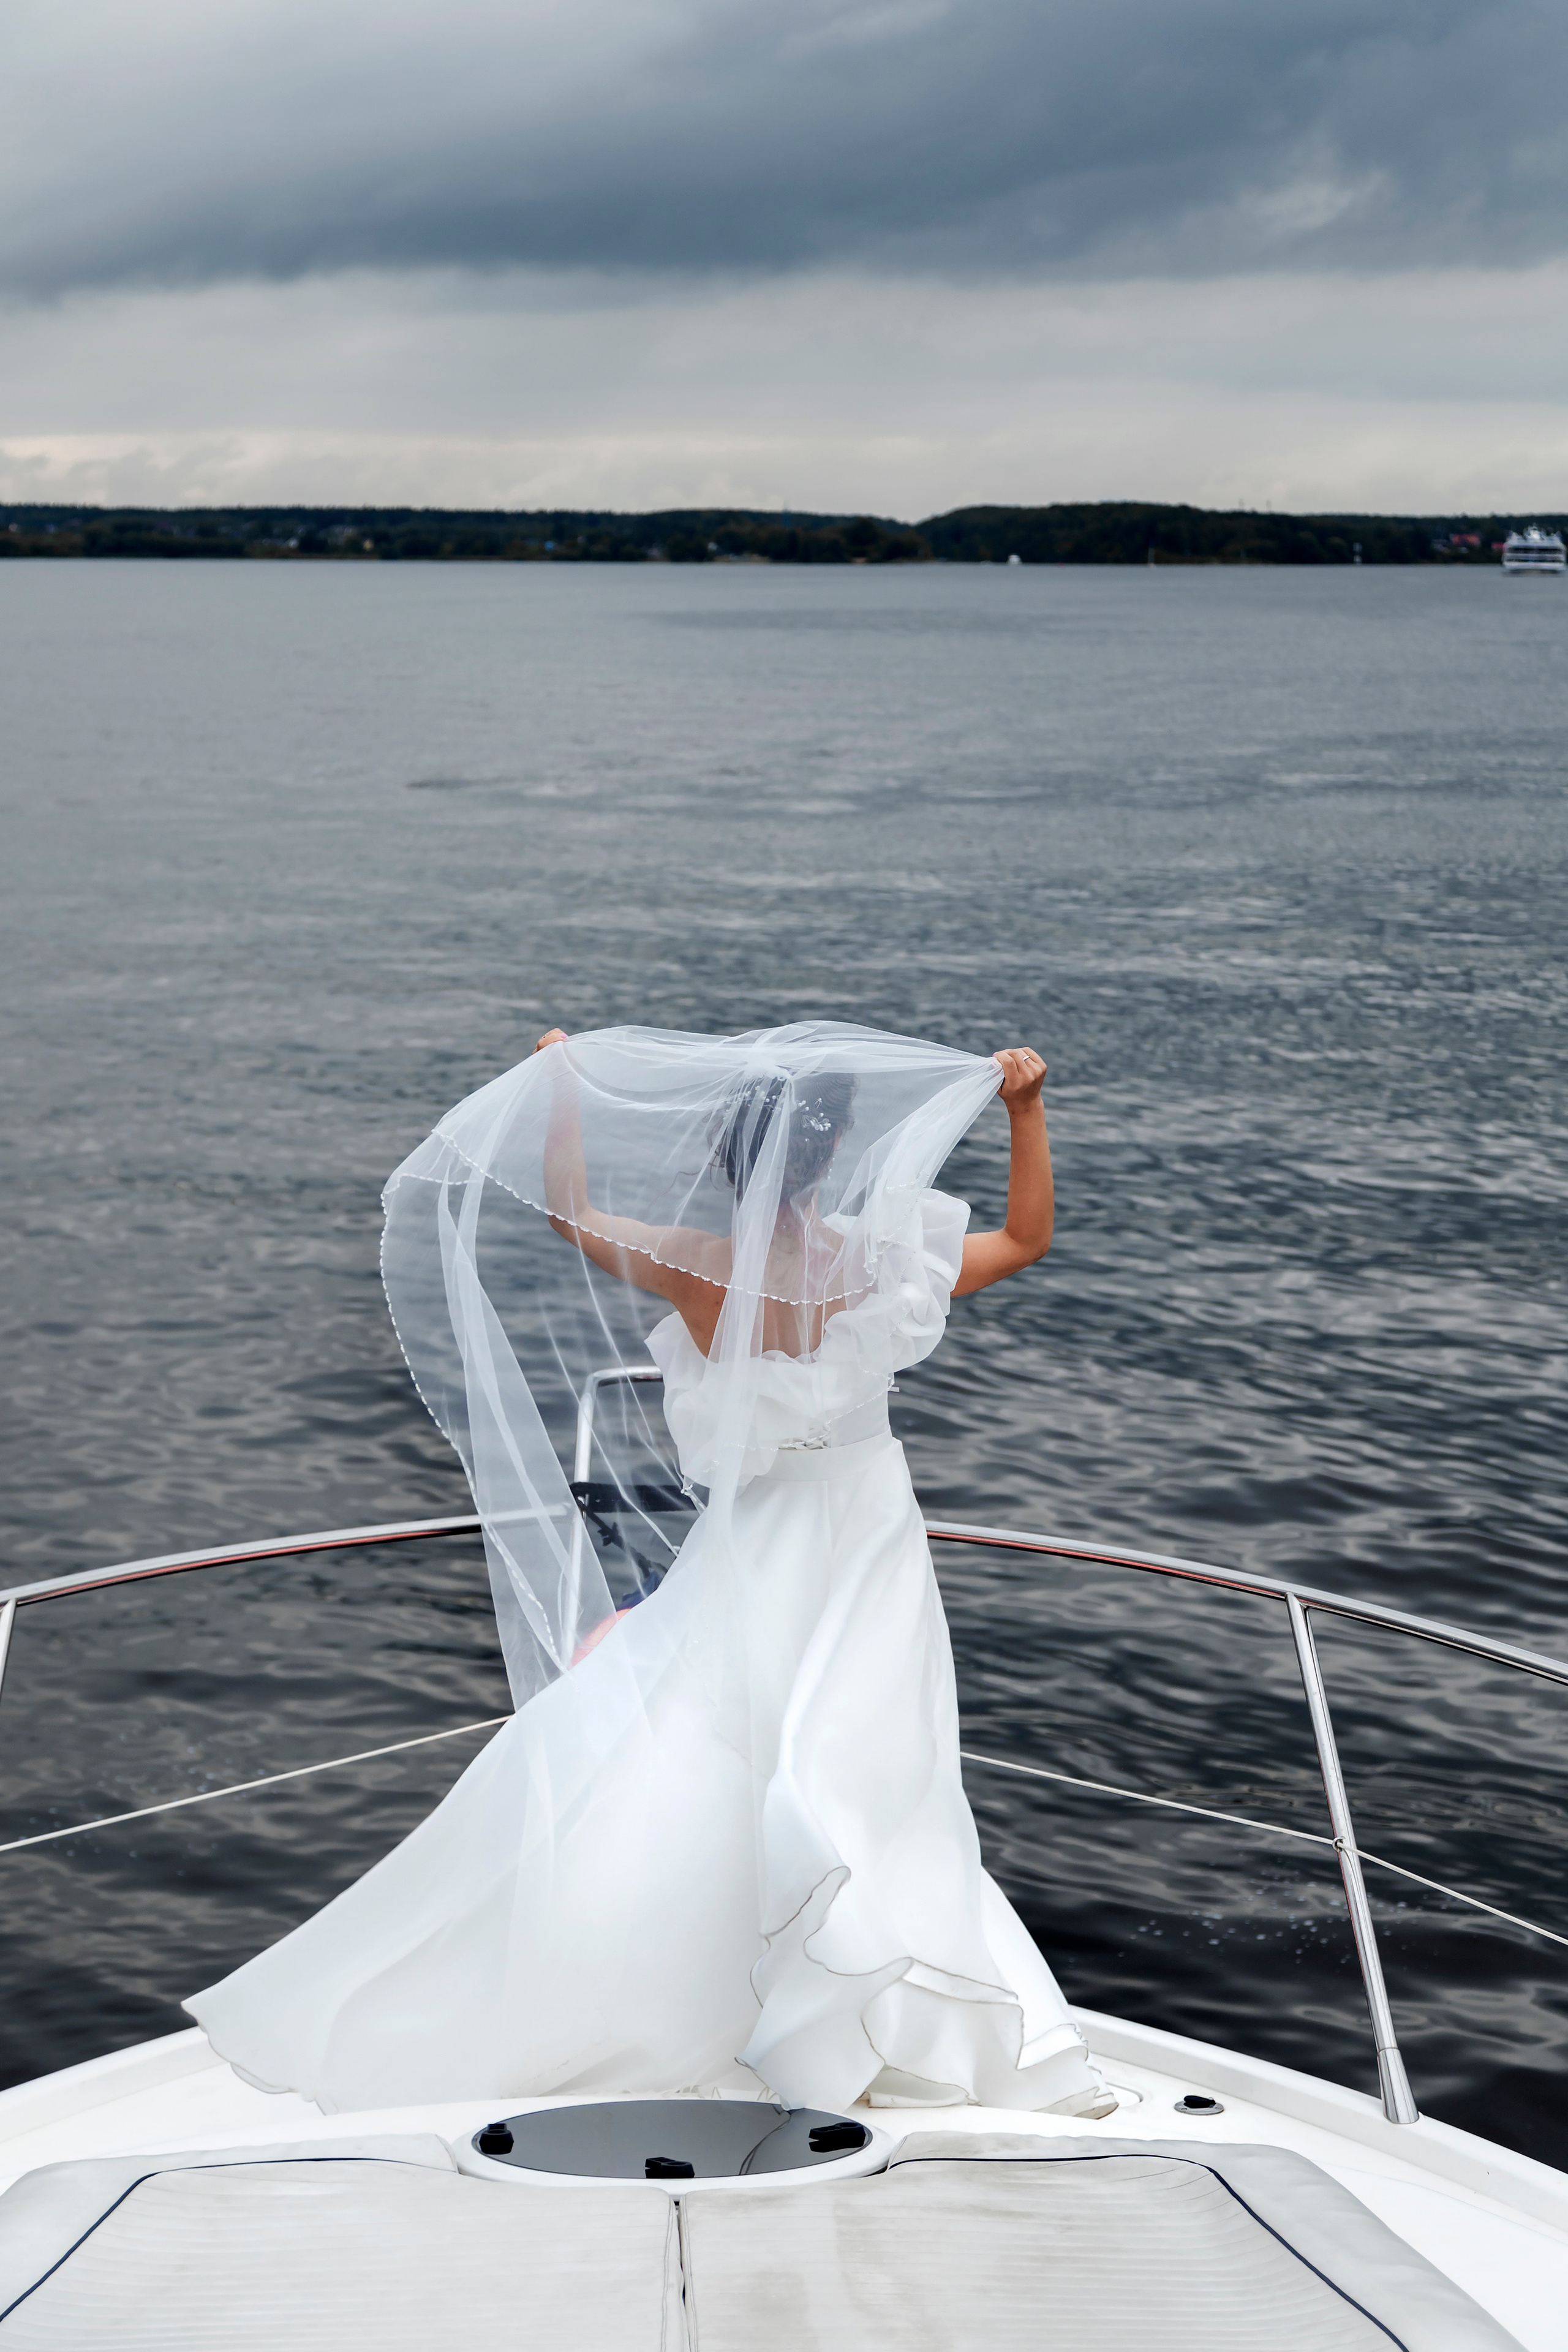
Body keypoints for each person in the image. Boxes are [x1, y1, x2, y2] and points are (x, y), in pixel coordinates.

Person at [187, 1022, 1110, 2120]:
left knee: (710, 1747)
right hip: (868, 1533)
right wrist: (1024, 1109)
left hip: (759, 1537)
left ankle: (689, 1979)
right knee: (876, 1766)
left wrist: (563, 1082)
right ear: (838, 1160)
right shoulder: (882, 1260)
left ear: (729, 1160)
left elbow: (567, 1202)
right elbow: (1027, 1239)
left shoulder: (699, 1269)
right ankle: (882, 2005)